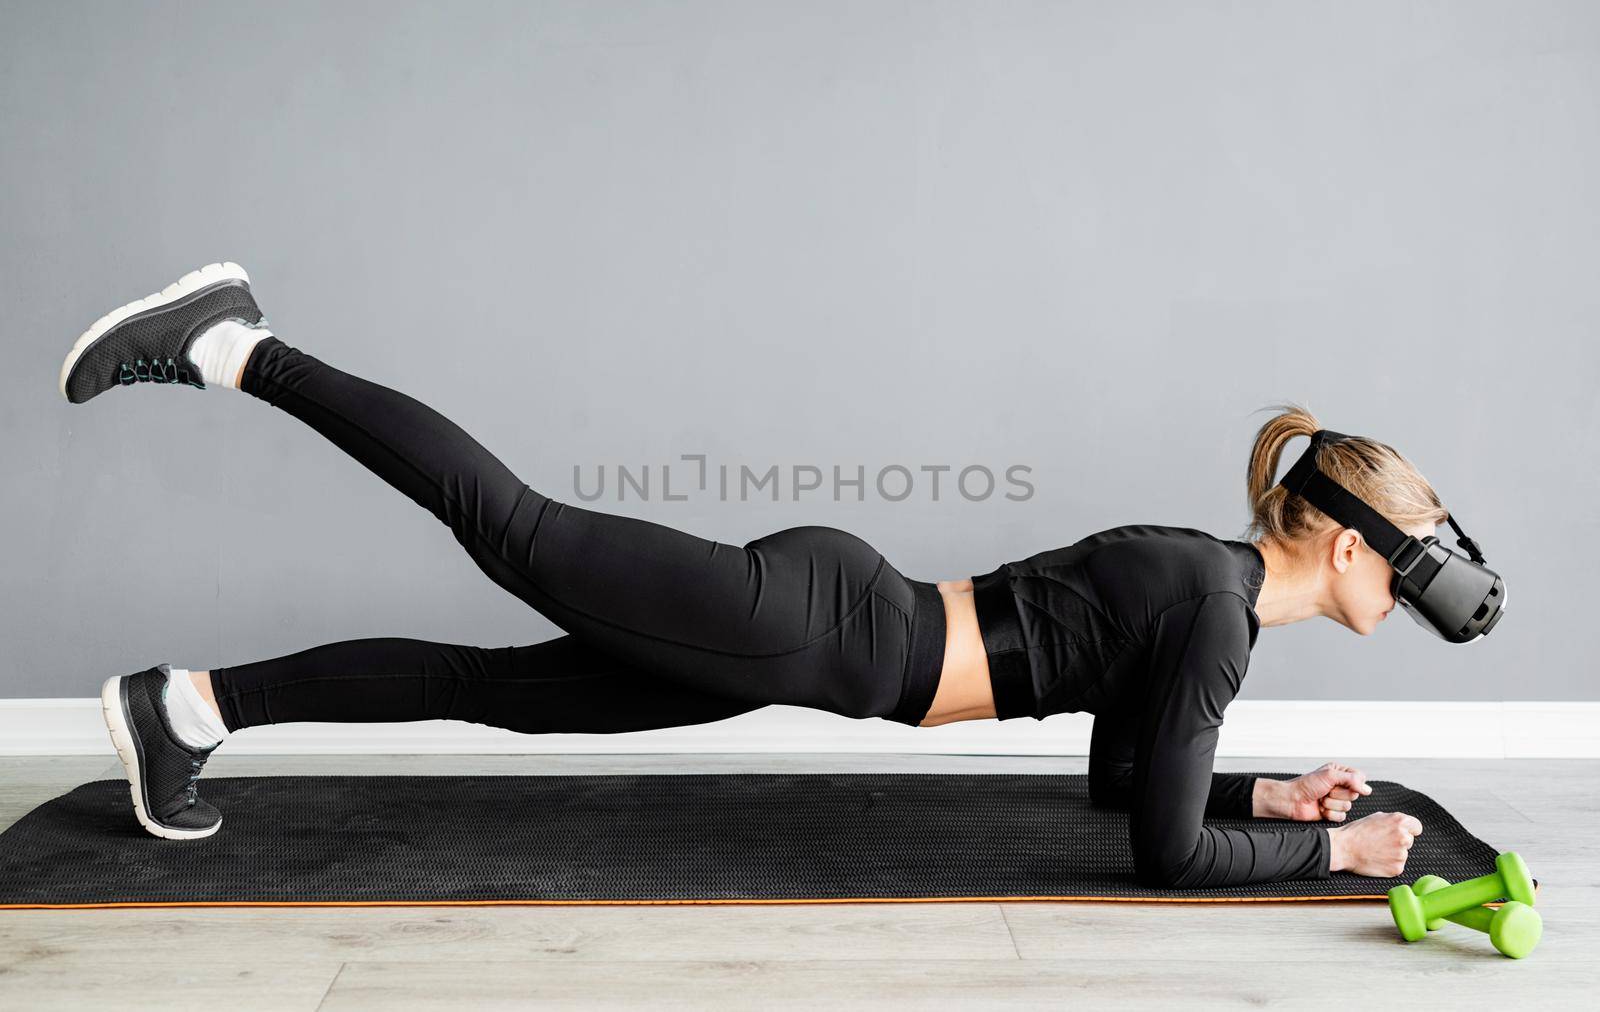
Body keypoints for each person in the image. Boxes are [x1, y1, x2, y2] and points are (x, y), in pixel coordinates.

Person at [60, 262, 1431, 889]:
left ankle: (186, 710)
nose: (1420, 579)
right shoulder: (1213, 612)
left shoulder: (1203, 586)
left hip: (829, 625)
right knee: (514, 526)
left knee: (501, 691)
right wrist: (1331, 852)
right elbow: (1166, 856)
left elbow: (1131, 787)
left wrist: (1262, 791)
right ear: (1347, 541)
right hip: (813, 637)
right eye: (1415, 541)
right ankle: (236, 346)